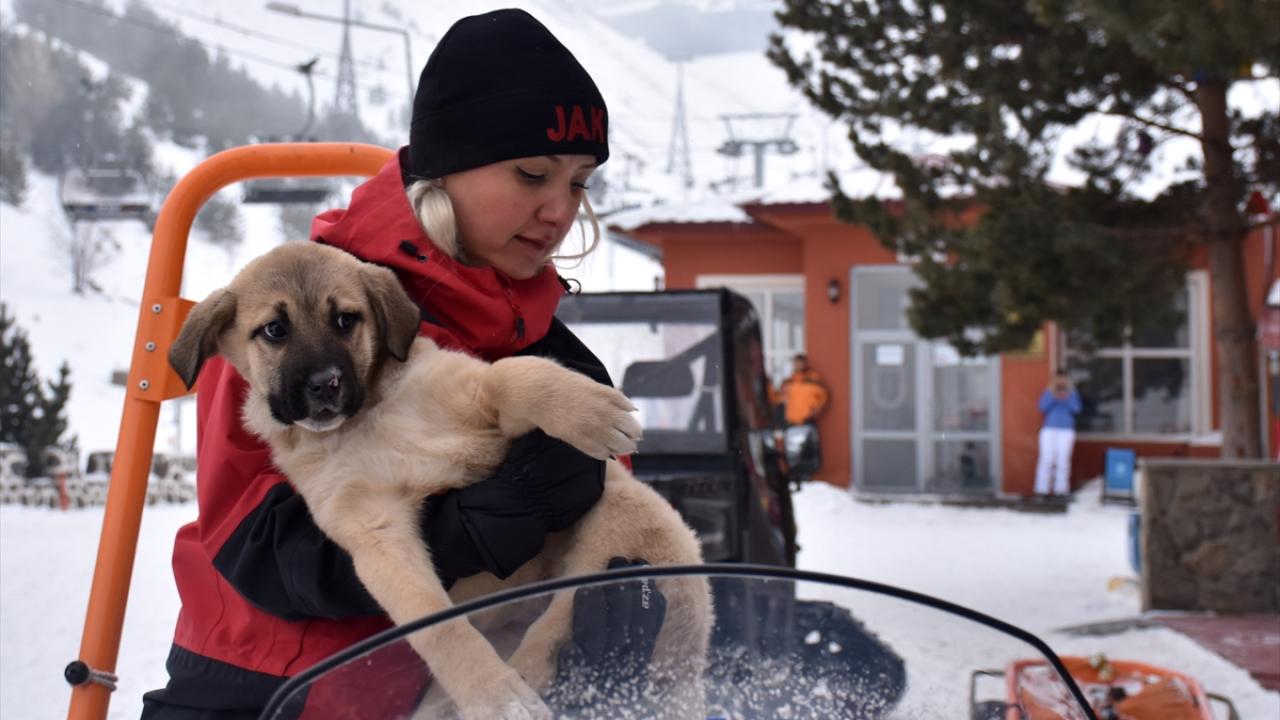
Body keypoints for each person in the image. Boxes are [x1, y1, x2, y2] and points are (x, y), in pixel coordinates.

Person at [142, 10, 660, 718]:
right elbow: (260, 551)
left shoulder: (555, 363)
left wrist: (610, 611)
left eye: (579, 183)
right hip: (263, 695)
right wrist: (471, 529)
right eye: (533, 173)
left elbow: (606, 521)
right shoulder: (289, 318)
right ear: (445, 168)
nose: (559, 210)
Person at [1034, 369, 1082, 498]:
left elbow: (1077, 409)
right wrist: (1053, 396)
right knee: (1046, 459)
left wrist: (1067, 398)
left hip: (1066, 430)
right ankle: (1042, 490)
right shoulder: (1048, 391)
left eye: (1063, 378)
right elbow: (1041, 407)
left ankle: (1061, 490)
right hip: (1049, 429)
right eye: (1058, 378)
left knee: (1063, 461)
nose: (1061, 381)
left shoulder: (1072, 392)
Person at [779, 353, 829, 427]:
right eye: (795, 363)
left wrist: (816, 410)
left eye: (799, 363)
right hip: (790, 422)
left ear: (805, 364)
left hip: (806, 421)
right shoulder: (790, 381)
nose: (797, 365)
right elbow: (782, 398)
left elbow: (823, 395)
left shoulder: (812, 379)